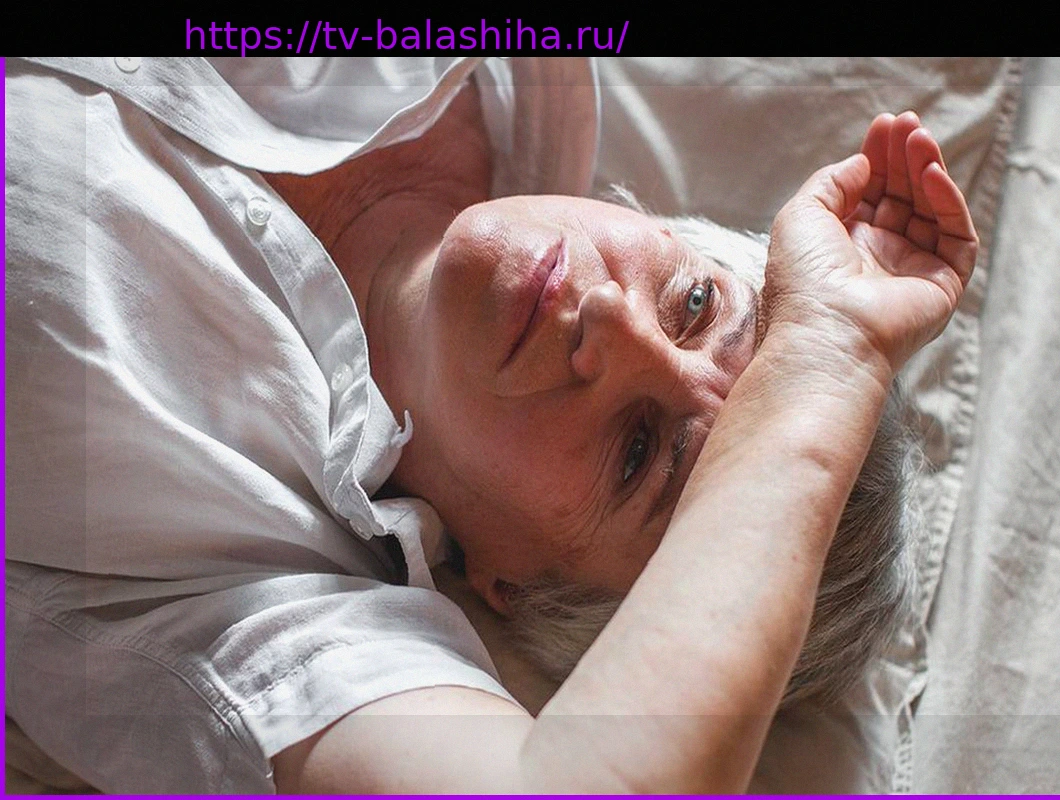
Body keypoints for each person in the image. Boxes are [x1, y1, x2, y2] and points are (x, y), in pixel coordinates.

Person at [5, 56, 975, 793]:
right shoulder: (523, 74)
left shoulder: (268, 589)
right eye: (692, 303)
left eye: (637, 454)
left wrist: (828, 359)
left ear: (510, 584)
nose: (614, 324)